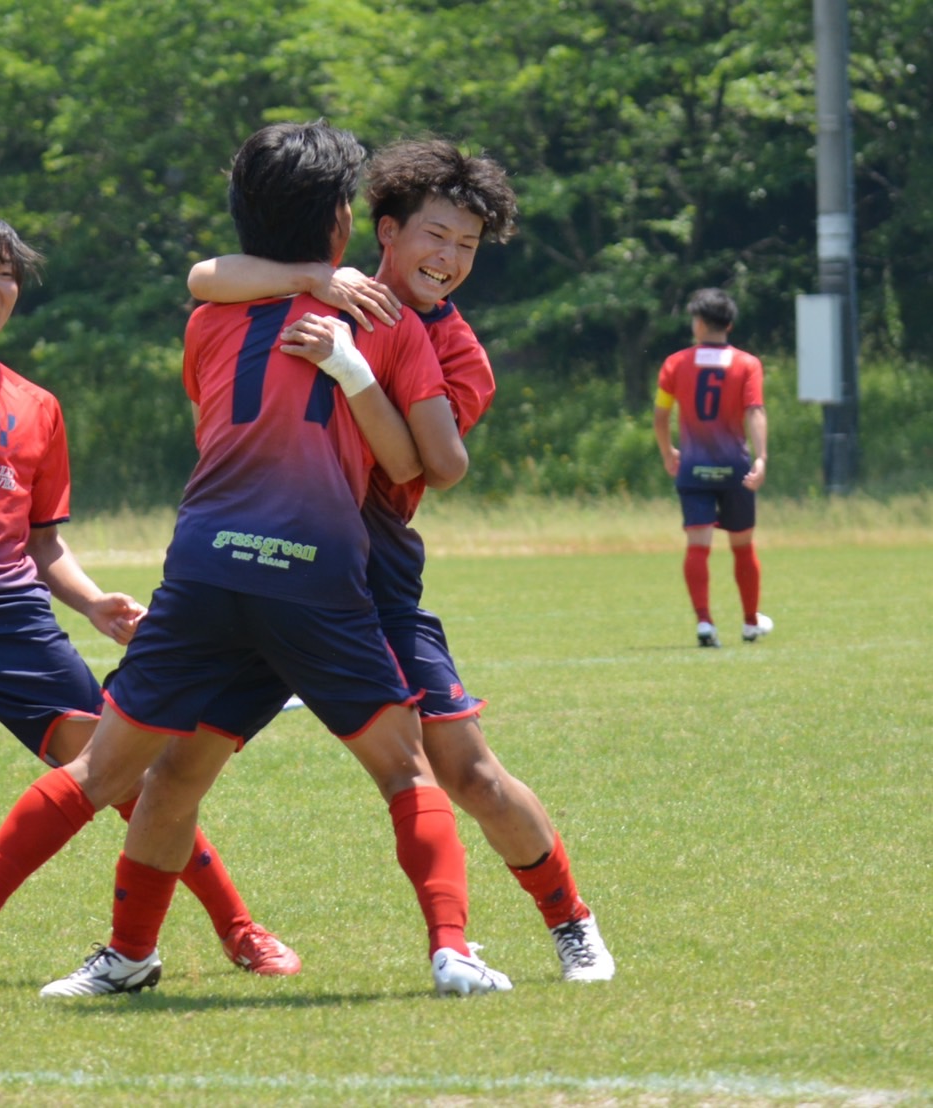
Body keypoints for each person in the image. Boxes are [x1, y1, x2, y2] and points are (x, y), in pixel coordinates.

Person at [0, 121, 511, 1009]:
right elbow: (417, 465)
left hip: (203, 568)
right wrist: (353, 371)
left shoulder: (210, 318)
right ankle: (452, 951)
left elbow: (210, 299)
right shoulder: (385, 323)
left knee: (109, 774)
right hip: (315, 575)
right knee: (403, 771)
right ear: (346, 225)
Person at [0, 213, 297, 998]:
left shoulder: (37, 407)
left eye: (6, 275)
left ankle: (240, 928)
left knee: (122, 771)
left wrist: (95, 603)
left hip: (11, 622)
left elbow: (44, 546)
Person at [184, 138, 616, 983]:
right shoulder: (320, 287)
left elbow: (436, 466)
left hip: (372, 580)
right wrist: (312, 280)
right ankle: (130, 950)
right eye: (437, 236)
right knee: (175, 768)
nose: (450, 259)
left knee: (471, 773)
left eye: (467, 247)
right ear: (384, 229)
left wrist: (353, 374)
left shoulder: (454, 349)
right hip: (261, 569)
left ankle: (572, 923)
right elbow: (206, 278)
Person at [653, 287, 771, 648]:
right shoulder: (748, 364)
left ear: (700, 323)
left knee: (697, 546)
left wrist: (667, 451)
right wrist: (762, 456)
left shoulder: (675, 363)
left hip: (693, 468)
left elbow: (661, 414)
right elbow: (755, 411)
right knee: (743, 546)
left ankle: (705, 624)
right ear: (730, 323)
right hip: (736, 469)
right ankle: (751, 623)